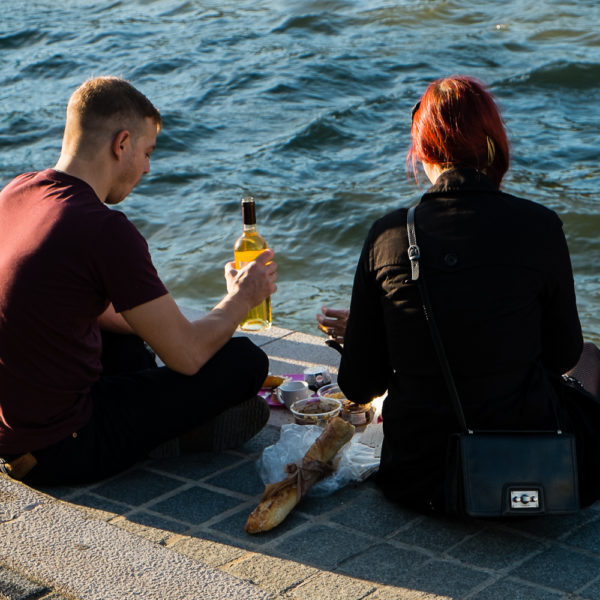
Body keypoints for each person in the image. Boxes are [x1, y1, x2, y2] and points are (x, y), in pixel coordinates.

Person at [324, 75, 600, 513]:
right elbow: (562, 354)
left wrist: (369, 332)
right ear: (492, 145)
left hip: (418, 479)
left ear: (423, 150)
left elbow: (360, 383)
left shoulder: (389, 234)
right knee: (590, 356)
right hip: (527, 469)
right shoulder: (541, 226)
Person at [0, 76, 277, 485]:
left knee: (130, 342)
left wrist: (165, 329)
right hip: (65, 447)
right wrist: (241, 297)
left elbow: (69, 305)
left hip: (12, 433)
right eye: (147, 152)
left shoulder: (17, 192)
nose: (147, 167)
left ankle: (160, 419)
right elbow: (187, 355)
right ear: (122, 143)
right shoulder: (103, 229)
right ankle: (166, 434)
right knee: (246, 361)